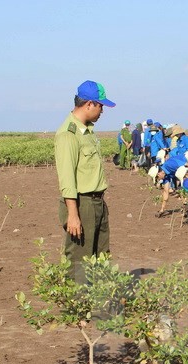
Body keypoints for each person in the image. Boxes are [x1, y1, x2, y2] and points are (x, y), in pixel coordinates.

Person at [54, 80, 115, 283]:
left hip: (97, 202)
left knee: (101, 255)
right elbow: (67, 178)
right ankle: (78, 311)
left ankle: (99, 308)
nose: (102, 111)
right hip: (81, 204)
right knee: (80, 260)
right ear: (89, 104)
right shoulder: (68, 134)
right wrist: (73, 214)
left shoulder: (87, 131)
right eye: (101, 106)